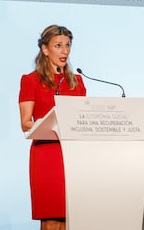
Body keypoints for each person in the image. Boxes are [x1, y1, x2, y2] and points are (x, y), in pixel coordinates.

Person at [18, 24, 86, 230]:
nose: (64, 51)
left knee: (72, 217)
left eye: (67, 45)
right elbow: (25, 122)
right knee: (51, 219)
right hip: (48, 155)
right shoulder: (31, 81)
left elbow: (82, 119)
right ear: (45, 49)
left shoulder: (78, 82)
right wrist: (51, 125)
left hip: (74, 156)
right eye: (58, 45)